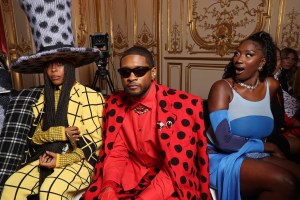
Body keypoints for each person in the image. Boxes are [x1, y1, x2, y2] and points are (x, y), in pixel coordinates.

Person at [0, 0, 104, 199]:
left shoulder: (91, 97)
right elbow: (34, 137)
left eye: (59, 64)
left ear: (71, 64)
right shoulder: (42, 98)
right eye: (48, 65)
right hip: (44, 155)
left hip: (81, 161)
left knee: (50, 191)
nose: (53, 70)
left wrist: (63, 160)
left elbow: (95, 145)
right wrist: (60, 133)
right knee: (11, 186)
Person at [83, 46, 211, 200]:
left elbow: (176, 167)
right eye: (125, 72)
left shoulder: (182, 107)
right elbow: (117, 153)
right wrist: (109, 186)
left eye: (139, 71)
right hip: (132, 175)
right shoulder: (115, 105)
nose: (131, 77)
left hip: (169, 180)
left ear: (153, 72)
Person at [206, 31, 300, 200]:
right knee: (285, 182)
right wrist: (269, 147)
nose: (239, 59)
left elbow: (270, 123)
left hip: (253, 154)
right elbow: (224, 140)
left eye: (248, 55)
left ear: (261, 62)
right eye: (237, 53)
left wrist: (271, 147)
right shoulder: (222, 88)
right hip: (220, 157)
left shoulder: (271, 86)